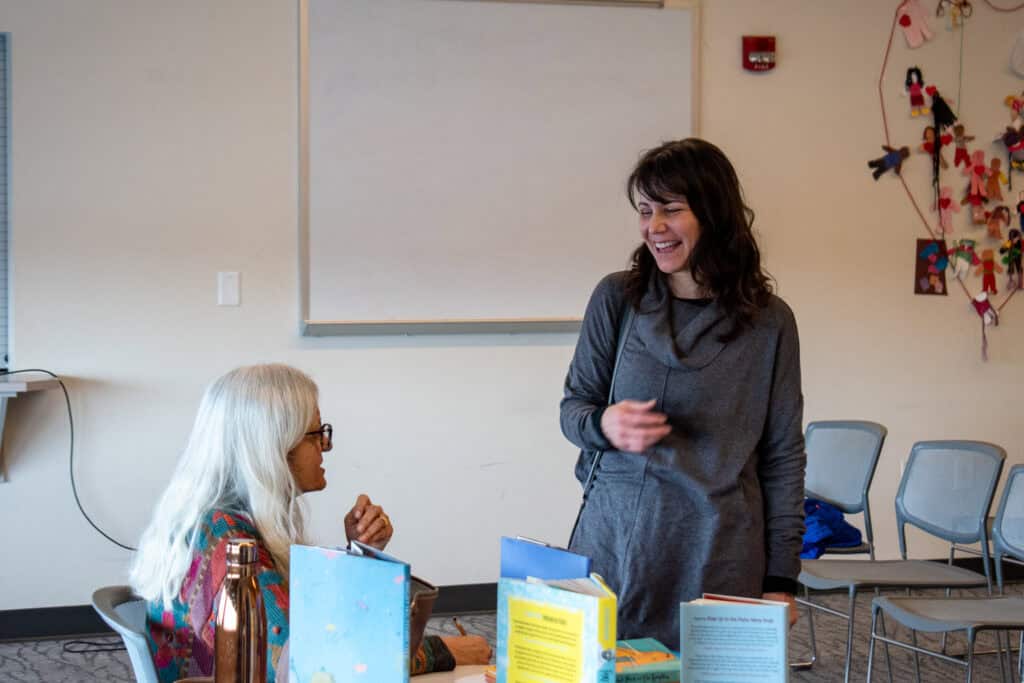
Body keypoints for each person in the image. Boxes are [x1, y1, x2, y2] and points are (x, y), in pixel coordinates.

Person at [560, 139, 806, 649]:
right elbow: (573, 409)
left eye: (671, 209)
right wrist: (604, 425)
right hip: (619, 544)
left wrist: (781, 579)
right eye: (645, 211)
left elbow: (783, 456)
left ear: (714, 214)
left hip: (720, 550)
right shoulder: (617, 299)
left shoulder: (771, 323)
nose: (654, 227)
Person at [130, 364, 491, 682]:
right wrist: (440, 651)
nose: (326, 448)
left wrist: (359, 554)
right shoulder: (230, 544)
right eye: (316, 435)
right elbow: (306, 663)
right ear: (275, 447)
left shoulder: (211, 520)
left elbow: (312, 622)